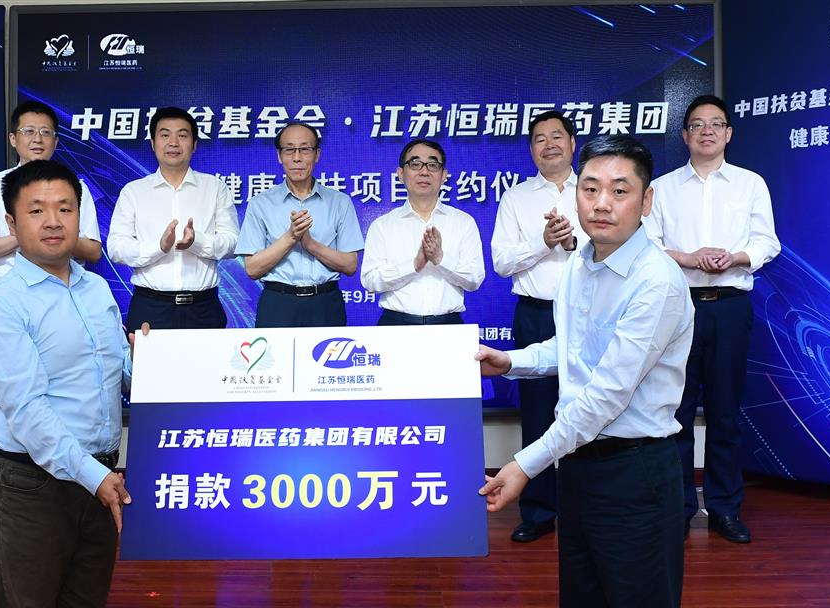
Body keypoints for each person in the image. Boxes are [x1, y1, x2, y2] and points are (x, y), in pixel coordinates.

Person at [478, 135, 695, 608]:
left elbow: (605, 396)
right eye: (591, 188)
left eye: (620, 191)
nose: (601, 203)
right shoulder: (580, 263)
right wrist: (512, 362)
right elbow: (571, 350)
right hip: (582, 474)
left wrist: (524, 463)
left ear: (646, 202)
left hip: (636, 475)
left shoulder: (656, 282)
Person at [0, 160, 142, 608]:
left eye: (64, 208)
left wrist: (151, 364)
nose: (52, 221)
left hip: (98, 479)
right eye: (36, 210)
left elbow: (119, 375)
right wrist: (98, 477)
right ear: (11, 222)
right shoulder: (0, 304)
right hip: (32, 485)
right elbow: (28, 412)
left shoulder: (96, 290)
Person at [645, 95, 780, 544]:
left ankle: (724, 508)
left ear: (728, 134)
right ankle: (679, 507)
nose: (707, 131)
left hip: (729, 307)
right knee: (676, 412)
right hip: (677, 308)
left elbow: (767, 243)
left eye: (716, 124)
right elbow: (646, 246)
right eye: (698, 124)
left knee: (725, 411)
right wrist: (689, 258)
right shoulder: (661, 188)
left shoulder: (750, 184)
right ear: (685, 135)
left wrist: (735, 257)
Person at [490, 111, 588, 544]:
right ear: (531, 149)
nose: (549, 145)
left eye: (557, 136)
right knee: (537, 413)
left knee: (590, 410)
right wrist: (543, 242)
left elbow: (615, 245)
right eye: (539, 139)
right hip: (535, 312)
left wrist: (573, 242)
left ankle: (586, 509)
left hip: (589, 311)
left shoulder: (593, 190)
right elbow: (501, 262)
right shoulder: (516, 198)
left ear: (572, 143)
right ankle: (538, 511)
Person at [107, 106, 239, 329]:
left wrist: (196, 242)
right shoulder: (134, 191)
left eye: (182, 135)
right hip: (150, 307)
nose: (174, 143)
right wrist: (159, 247)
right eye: (165, 135)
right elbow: (116, 248)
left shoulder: (215, 188)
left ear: (194, 144)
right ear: (153, 143)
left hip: (204, 308)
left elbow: (233, 243)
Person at [0, 100, 103, 287]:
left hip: (63, 288)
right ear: (13, 139)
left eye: (45, 132)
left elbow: (93, 251)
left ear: (55, 141)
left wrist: (53, 237)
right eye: (28, 131)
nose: (37, 139)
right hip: (8, 289)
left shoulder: (75, 187)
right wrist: (26, 235)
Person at [237, 122, 364, 327]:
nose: (297, 158)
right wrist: (291, 237)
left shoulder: (340, 202)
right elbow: (252, 269)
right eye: (289, 150)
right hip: (278, 303)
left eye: (305, 149)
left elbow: (350, 265)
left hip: (325, 303)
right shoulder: (260, 203)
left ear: (317, 154)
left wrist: (310, 244)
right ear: (279, 156)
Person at [359, 139, 484, 325]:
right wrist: (414, 265)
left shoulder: (463, 222)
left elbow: (474, 280)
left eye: (433, 165)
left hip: (448, 326)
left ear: (444, 175)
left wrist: (441, 259)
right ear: (401, 174)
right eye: (415, 164)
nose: (424, 172)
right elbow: (370, 281)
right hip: (396, 325)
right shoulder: (382, 226)